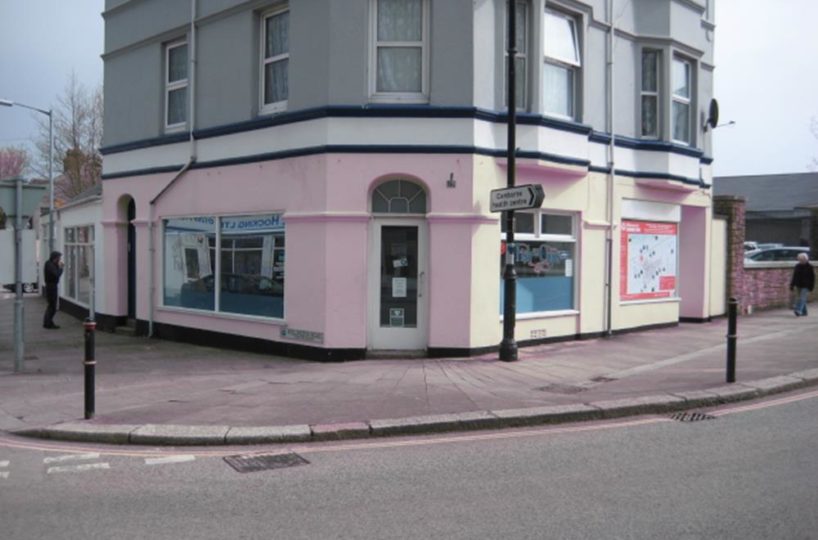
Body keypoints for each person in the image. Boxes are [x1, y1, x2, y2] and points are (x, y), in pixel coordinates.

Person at [43, 251, 64, 329]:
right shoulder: (50, 265)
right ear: (55, 258)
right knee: (52, 306)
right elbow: (57, 274)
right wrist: (61, 268)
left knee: (51, 306)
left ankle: (48, 322)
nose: (59, 259)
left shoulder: (49, 263)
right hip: (51, 287)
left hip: (51, 285)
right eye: (59, 258)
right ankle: (48, 323)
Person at [790, 252, 815, 317]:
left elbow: (812, 277)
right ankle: (804, 312)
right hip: (798, 284)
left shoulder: (810, 267)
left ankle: (798, 310)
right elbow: (794, 276)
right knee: (800, 298)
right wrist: (792, 285)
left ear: (806, 259)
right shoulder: (797, 266)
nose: (800, 261)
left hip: (806, 285)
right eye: (799, 259)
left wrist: (811, 287)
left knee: (802, 298)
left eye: (802, 259)